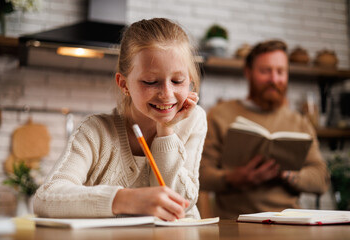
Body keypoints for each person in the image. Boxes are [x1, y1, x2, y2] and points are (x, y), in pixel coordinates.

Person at [33, 18, 207, 221]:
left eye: (178, 81)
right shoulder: (95, 131)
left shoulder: (194, 120)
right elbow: (45, 198)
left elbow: (183, 205)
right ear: (124, 84)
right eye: (151, 82)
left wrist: (166, 130)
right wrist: (125, 199)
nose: (167, 94)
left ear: (190, 81)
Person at [199, 40, 330, 219]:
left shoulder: (300, 122)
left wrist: (287, 174)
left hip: (289, 222)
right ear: (248, 72)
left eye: (280, 71)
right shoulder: (220, 115)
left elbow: (321, 179)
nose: (274, 79)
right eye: (265, 71)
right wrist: (235, 177)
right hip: (236, 224)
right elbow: (200, 175)